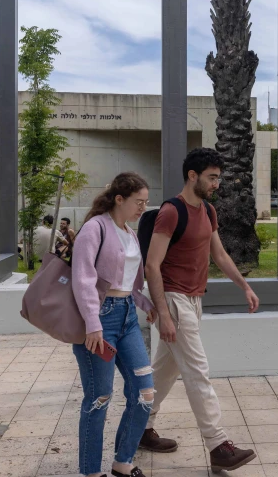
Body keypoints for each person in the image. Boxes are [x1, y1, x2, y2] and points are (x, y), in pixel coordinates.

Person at [141, 147, 260, 473]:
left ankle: (140, 426)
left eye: (218, 177)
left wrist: (245, 286)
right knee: (197, 372)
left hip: (194, 301)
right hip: (175, 301)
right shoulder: (171, 212)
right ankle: (218, 445)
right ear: (192, 175)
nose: (217, 183)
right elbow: (152, 266)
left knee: (164, 371)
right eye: (212, 177)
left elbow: (219, 256)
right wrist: (164, 314)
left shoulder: (208, 211)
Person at [71, 173, 158, 477]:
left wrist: (146, 303)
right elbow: (82, 279)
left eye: (146, 203)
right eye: (139, 202)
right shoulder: (94, 229)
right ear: (119, 199)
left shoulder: (129, 232)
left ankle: (123, 462)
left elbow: (127, 280)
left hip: (128, 319)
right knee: (99, 397)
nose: (142, 208)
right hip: (100, 320)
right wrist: (92, 324)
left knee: (145, 393)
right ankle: (91, 471)